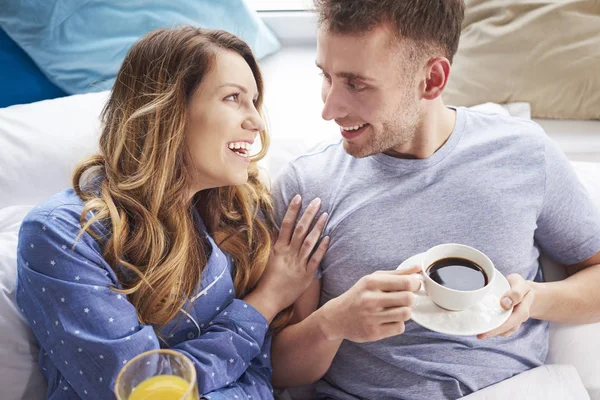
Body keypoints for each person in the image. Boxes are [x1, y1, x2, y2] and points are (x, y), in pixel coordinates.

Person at [269, 0, 600, 399]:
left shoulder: (524, 154)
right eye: (327, 76)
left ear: (432, 80)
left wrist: (538, 299)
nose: (329, 109)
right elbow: (280, 369)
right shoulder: (308, 187)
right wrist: (332, 323)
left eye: (356, 84)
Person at [16, 27, 329, 400]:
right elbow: (140, 389)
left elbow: (261, 370)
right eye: (233, 98)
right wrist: (266, 300)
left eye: (254, 102)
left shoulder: (243, 217)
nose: (257, 122)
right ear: (169, 111)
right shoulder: (63, 236)